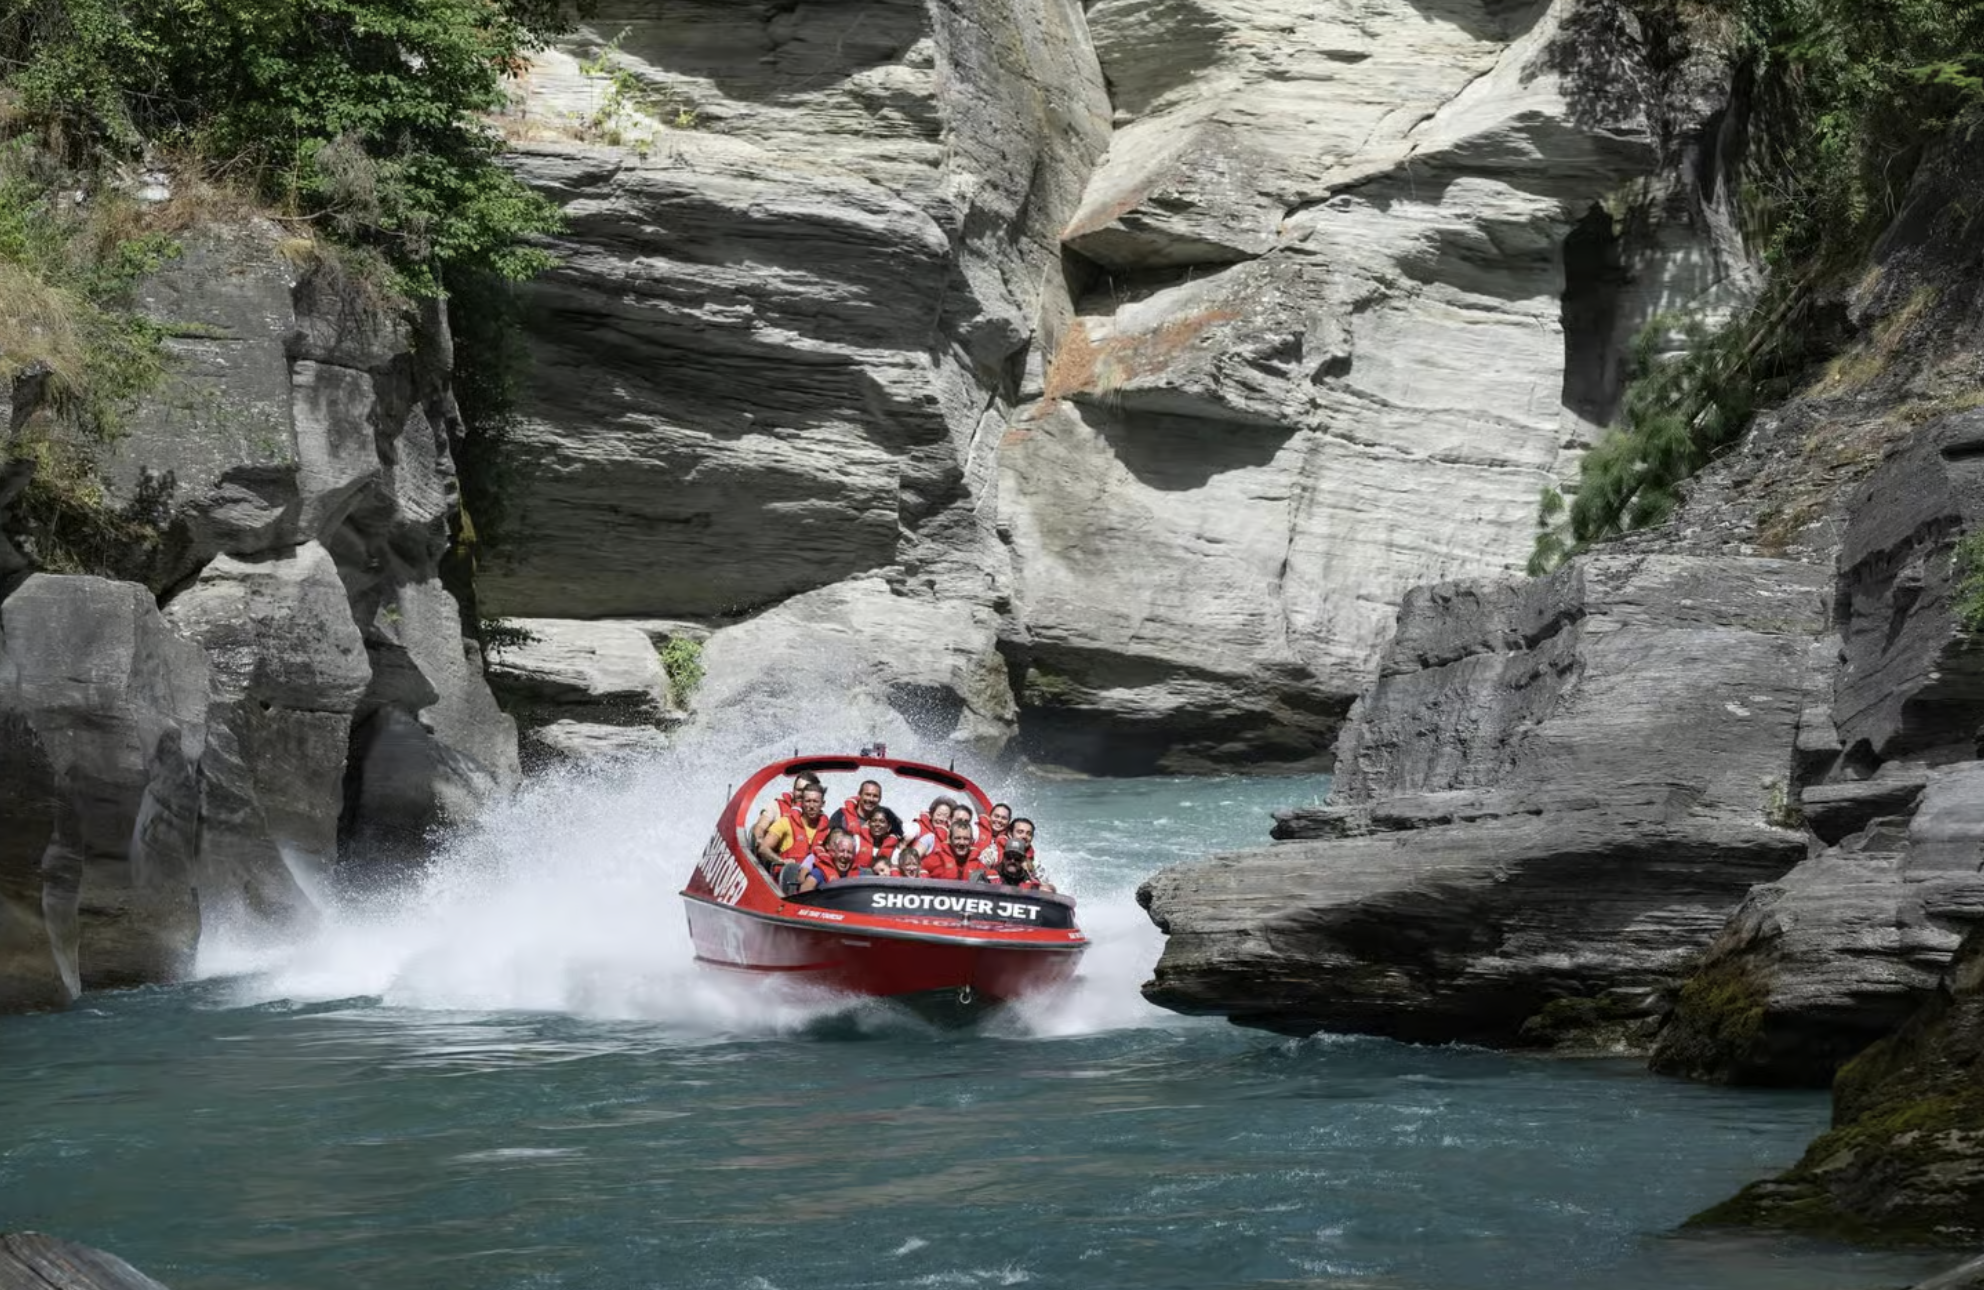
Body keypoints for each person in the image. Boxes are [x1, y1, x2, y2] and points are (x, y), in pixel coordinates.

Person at [756, 785, 832, 870]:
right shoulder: (785, 822)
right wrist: (781, 861)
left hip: (815, 877)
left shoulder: (828, 831)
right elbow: (763, 848)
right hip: (789, 877)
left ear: (823, 804)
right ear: (802, 803)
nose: (811, 806)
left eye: (815, 802)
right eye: (808, 801)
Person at [751, 772, 822, 847]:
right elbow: (760, 826)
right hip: (775, 855)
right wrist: (760, 840)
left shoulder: (817, 814)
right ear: (793, 790)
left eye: (806, 790)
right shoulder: (776, 806)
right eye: (799, 790)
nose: (801, 794)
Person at [829, 778, 901, 838]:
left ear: (880, 799)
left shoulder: (887, 818)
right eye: (867, 794)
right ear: (859, 795)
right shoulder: (841, 815)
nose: (871, 799)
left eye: (875, 796)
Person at [800, 829, 866, 891]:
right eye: (842, 851)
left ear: (854, 856)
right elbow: (802, 895)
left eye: (849, 852)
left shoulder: (860, 875)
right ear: (834, 853)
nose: (845, 856)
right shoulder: (818, 873)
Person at [854, 809, 901, 873]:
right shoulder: (856, 842)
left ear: (889, 827)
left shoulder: (895, 852)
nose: (877, 824)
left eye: (882, 821)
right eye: (874, 821)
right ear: (869, 823)